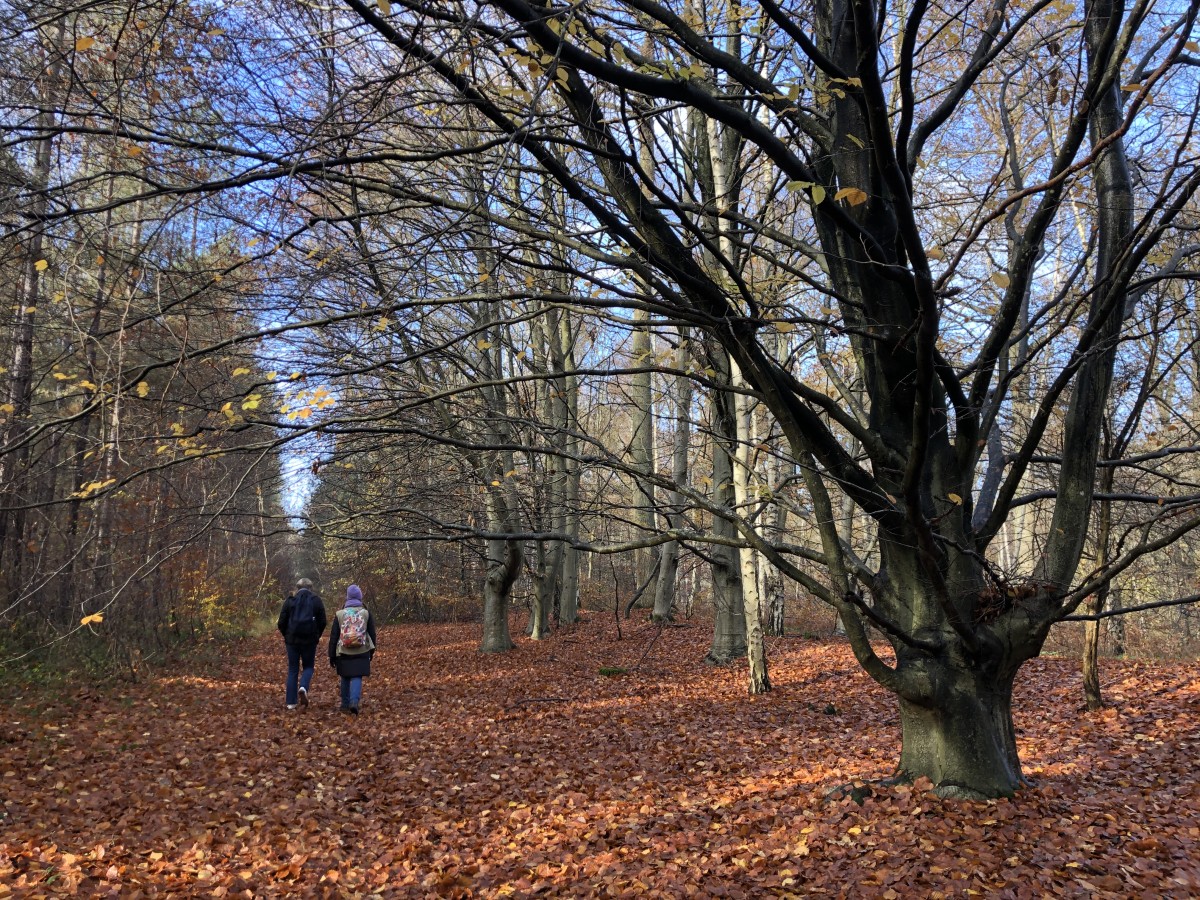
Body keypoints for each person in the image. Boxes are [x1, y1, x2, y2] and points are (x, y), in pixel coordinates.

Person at [277, 578, 327, 710]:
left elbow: (281, 622)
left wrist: (287, 635)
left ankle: (291, 703)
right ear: (311, 588)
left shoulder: (290, 600)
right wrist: (317, 636)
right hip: (309, 641)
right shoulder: (316, 600)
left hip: (292, 641)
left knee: (293, 669)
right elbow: (323, 621)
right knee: (308, 666)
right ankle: (303, 687)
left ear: (297, 587)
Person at [328, 584, 377, 714]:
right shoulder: (365, 613)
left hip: (343, 650)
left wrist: (331, 655)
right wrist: (372, 650)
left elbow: (334, 636)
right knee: (357, 676)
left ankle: (345, 704)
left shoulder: (340, 614)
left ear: (347, 597)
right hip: (362, 649)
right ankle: (354, 702)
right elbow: (372, 633)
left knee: (345, 676)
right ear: (360, 597)